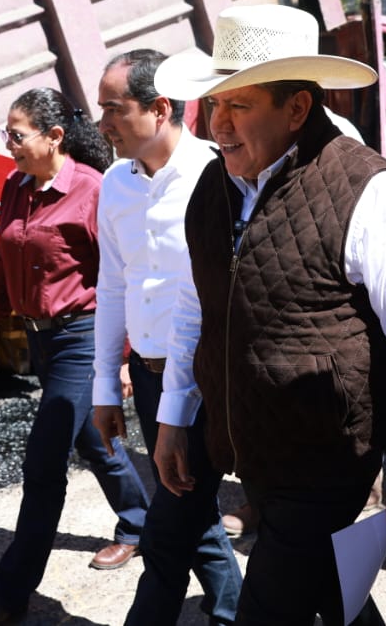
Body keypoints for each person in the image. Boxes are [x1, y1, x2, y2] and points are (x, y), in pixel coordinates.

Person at [152, 4, 386, 625]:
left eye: (239, 105)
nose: (218, 124)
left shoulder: (368, 189)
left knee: (269, 609)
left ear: (296, 108)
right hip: (250, 450)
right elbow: (195, 308)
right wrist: (174, 416)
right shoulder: (211, 186)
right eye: (213, 104)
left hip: (327, 458)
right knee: (334, 592)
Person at [0, 88, 149, 626]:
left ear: (54, 137)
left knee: (44, 462)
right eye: (7, 134)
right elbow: (3, 260)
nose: (9, 144)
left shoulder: (92, 189)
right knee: (91, 437)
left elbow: (121, 276)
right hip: (40, 339)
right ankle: (141, 523)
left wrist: (121, 358)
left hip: (84, 337)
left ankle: (8, 595)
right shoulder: (15, 186)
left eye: (17, 135)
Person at [90, 50, 242, 625]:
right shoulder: (115, 185)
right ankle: (234, 612)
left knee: (167, 534)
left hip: (209, 380)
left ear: (159, 108)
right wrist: (106, 387)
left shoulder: (218, 174)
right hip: (151, 382)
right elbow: (112, 286)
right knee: (190, 512)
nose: (102, 124)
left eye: (114, 109)